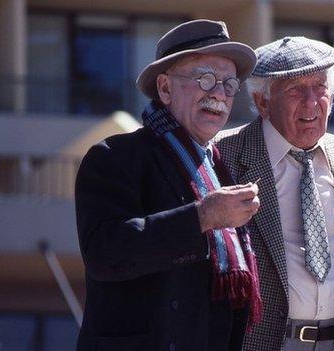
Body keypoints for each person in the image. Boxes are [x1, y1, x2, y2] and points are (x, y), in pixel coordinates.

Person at [74, 19, 262, 351]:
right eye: (205, 79)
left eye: (229, 84)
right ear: (165, 88)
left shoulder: (220, 167)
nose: (218, 93)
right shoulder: (114, 157)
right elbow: (105, 254)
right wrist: (201, 217)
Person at [216, 36, 334, 351]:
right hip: (260, 343)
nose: (312, 103)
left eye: (320, 88)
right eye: (296, 89)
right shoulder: (223, 153)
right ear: (262, 101)